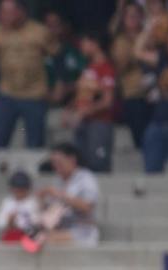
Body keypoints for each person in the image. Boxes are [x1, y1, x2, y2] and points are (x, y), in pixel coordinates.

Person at [0, 0, 55, 149]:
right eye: (0, 12)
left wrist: (56, 88)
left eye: (6, 12)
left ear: (21, 12)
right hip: (7, 93)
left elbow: (57, 60)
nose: (1, 16)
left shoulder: (39, 32)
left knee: (35, 143)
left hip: (35, 94)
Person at [66, 33, 117, 173]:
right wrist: (70, 110)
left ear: (95, 43)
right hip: (83, 123)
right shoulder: (89, 67)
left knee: (97, 165)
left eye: (84, 42)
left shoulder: (106, 68)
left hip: (99, 124)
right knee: (79, 164)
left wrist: (82, 112)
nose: (81, 47)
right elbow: (82, 95)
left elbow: (107, 101)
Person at [35, 142, 101, 247]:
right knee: (36, 237)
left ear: (72, 159)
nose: (56, 166)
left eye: (59, 162)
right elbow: (51, 212)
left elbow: (88, 206)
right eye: (54, 163)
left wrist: (59, 195)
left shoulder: (86, 178)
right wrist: (41, 199)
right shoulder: (58, 181)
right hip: (60, 229)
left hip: (82, 230)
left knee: (43, 240)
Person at [137, 29, 168, 173]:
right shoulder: (162, 60)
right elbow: (137, 52)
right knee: (151, 172)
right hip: (158, 123)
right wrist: (149, 27)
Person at [112, 0, 151, 150]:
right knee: (140, 137)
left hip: (154, 93)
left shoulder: (151, 36)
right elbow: (120, 66)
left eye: (136, 15)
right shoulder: (120, 41)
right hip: (133, 94)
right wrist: (137, 48)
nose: (133, 18)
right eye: (129, 15)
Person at [45, 10, 88, 110]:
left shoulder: (76, 51)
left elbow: (87, 77)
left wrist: (68, 88)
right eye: (48, 25)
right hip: (40, 106)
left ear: (64, 26)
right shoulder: (36, 53)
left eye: (56, 24)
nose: (52, 29)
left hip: (71, 107)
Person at [0, 170, 40, 239]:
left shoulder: (33, 202)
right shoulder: (7, 202)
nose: (19, 192)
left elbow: (36, 223)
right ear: (11, 189)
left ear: (28, 188)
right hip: (10, 237)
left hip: (28, 238)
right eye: (17, 189)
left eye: (22, 189)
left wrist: (18, 225)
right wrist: (9, 222)